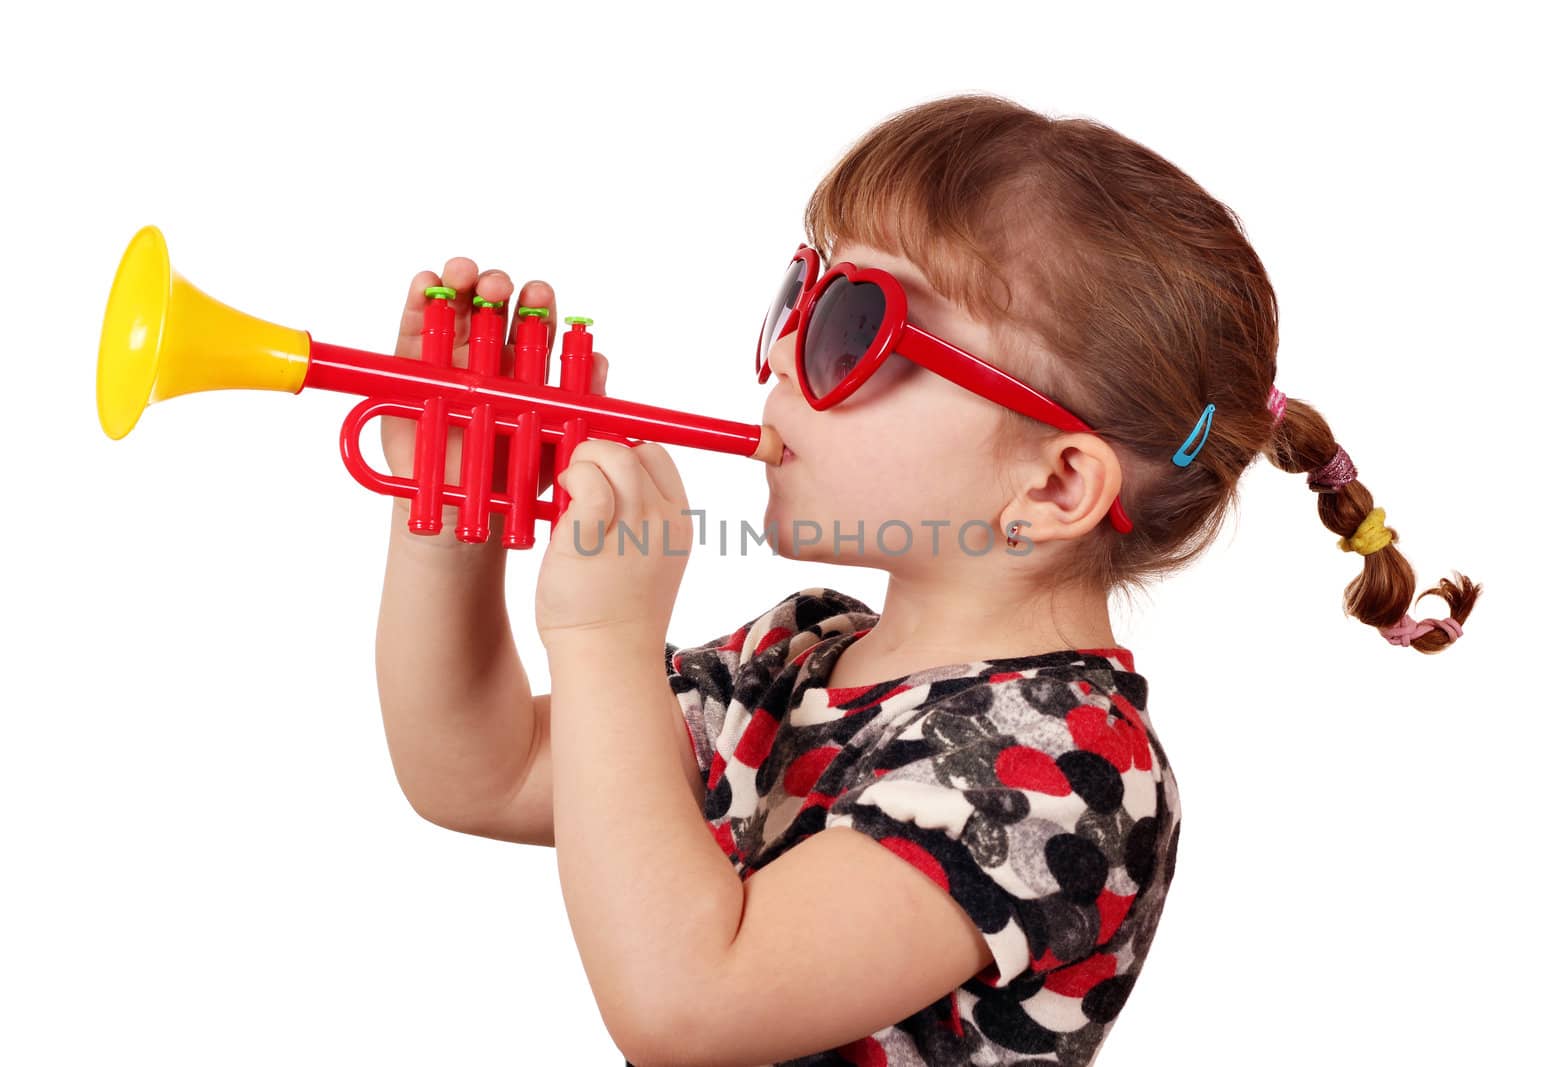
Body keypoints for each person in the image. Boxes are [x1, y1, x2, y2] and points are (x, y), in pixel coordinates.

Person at [374, 93, 1481, 1067]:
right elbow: (481, 767)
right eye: (799, 295)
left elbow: (687, 1004)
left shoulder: (1066, 765)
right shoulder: (799, 654)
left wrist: (608, 636)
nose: (780, 357)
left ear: (1053, 484)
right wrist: (450, 506)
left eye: (856, 325)